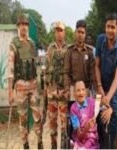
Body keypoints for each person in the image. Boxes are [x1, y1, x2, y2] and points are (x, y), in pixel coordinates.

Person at [8, 14, 43, 149]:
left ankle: (39, 142)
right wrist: (10, 92)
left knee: (37, 117)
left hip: (33, 86)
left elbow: (35, 64)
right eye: (22, 24)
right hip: (21, 87)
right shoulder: (14, 44)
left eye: (26, 24)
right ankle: (25, 144)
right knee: (23, 119)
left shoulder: (32, 44)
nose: (24, 27)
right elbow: (10, 70)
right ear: (18, 26)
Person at [95, 13, 117, 148]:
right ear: (105, 27)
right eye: (108, 27)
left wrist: (107, 99)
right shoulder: (100, 40)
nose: (110, 30)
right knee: (97, 121)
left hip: (113, 94)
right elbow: (96, 65)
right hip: (99, 89)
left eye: (113, 27)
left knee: (111, 124)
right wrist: (100, 89)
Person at [45, 21, 68, 149]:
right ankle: (54, 147)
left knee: (65, 125)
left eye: (61, 30)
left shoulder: (68, 49)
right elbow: (46, 69)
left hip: (64, 93)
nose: (59, 33)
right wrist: (46, 88)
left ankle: (64, 146)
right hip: (52, 92)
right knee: (52, 124)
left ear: (64, 33)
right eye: (57, 30)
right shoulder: (50, 49)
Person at [64, 20, 94, 100]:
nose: (80, 35)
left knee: (86, 112)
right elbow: (66, 72)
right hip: (73, 89)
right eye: (78, 32)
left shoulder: (90, 51)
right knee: (74, 111)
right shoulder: (69, 51)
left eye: (82, 32)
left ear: (85, 34)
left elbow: (92, 72)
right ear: (75, 33)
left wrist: (92, 90)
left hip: (86, 89)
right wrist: (67, 90)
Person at [70, 81, 99, 149]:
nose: (81, 93)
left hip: (92, 138)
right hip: (80, 137)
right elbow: (79, 135)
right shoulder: (73, 108)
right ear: (74, 94)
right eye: (78, 90)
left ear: (86, 92)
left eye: (83, 89)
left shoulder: (92, 102)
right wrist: (87, 128)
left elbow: (100, 101)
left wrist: (109, 108)